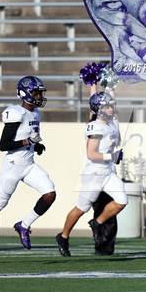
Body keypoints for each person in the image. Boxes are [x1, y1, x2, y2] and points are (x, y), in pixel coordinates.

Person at [55, 90, 127, 257]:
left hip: (108, 173)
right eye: (107, 106)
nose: (111, 107)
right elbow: (91, 154)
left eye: (111, 104)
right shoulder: (95, 126)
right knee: (81, 208)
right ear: (99, 109)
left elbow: (107, 99)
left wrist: (111, 87)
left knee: (122, 200)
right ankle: (63, 236)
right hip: (94, 175)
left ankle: (97, 222)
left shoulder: (111, 123)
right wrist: (112, 156)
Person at [0, 76, 56, 250]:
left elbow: (29, 138)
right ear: (25, 93)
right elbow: (3, 145)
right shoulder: (16, 112)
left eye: (40, 92)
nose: (39, 96)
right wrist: (27, 142)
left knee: (50, 193)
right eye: (36, 92)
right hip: (13, 166)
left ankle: (24, 225)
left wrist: (36, 145)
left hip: (29, 164)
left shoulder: (35, 113)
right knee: (0, 204)